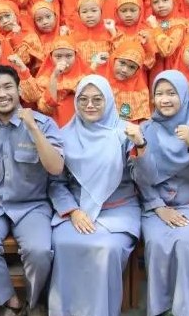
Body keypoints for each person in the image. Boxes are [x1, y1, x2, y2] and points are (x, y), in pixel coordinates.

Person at [131, 70, 189, 316]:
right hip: (158, 206)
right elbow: (142, 179)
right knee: (158, 242)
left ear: (184, 96)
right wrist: (158, 206)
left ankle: (186, 311)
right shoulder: (146, 129)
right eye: (159, 94)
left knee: (184, 244)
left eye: (171, 93)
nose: (165, 99)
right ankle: (160, 309)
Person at [0, 65, 63, 316]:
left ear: (19, 89)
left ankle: (34, 303)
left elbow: (56, 168)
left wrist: (32, 128)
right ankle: (11, 301)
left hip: (32, 205)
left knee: (40, 251)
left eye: (7, 87)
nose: (2, 94)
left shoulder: (43, 124)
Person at [48, 75, 143, 316]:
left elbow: (143, 178)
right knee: (63, 243)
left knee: (107, 249)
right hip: (76, 211)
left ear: (109, 101)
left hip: (118, 209)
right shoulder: (64, 135)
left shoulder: (125, 133)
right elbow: (56, 183)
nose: (89, 105)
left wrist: (141, 146)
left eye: (97, 99)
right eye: (83, 99)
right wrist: (74, 211)